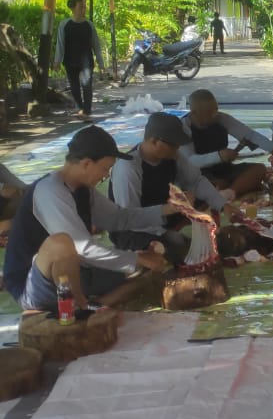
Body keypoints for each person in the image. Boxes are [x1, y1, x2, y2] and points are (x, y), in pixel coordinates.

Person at [2, 126, 173, 313]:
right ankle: (80, 306)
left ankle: (91, 304)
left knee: (143, 273)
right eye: (106, 168)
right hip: (32, 285)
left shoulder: (83, 189)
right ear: (87, 164)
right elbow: (82, 249)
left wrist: (168, 209)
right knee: (61, 243)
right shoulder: (50, 191)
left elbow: (119, 218)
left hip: (74, 272)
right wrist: (138, 258)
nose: (106, 175)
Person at [109, 113, 231, 265]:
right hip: (133, 229)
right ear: (154, 141)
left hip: (164, 215)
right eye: (173, 145)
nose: (177, 149)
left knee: (204, 205)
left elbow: (195, 181)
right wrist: (166, 229)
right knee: (180, 254)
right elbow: (129, 217)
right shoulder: (128, 167)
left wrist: (224, 205)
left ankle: (176, 234)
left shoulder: (173, 156)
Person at [182, 89, 273, 198]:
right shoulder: (183, 128)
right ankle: (234, 188)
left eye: (216, 109)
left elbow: (249, 135)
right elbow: (190, 161)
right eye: (209, 112)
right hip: (199, 174)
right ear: (194, 112)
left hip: (225, 169)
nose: (215, 114)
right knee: (217, 184)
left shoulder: (222, 118)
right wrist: (219, 156)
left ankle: (229, 192)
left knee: (260, 169)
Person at [52, 0, 105, 121]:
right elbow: (60, 44)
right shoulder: (64, 25)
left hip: (87, 61)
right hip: (70, 61)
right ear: (73, 8)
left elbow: (96, 44)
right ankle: (80, 108)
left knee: (87, 85)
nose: (83, 9)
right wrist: (57, 61)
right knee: (74, 86)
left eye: (84, 7)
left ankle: (86, 111)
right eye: (81, 7)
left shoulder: (89, 25)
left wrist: (101, 62)